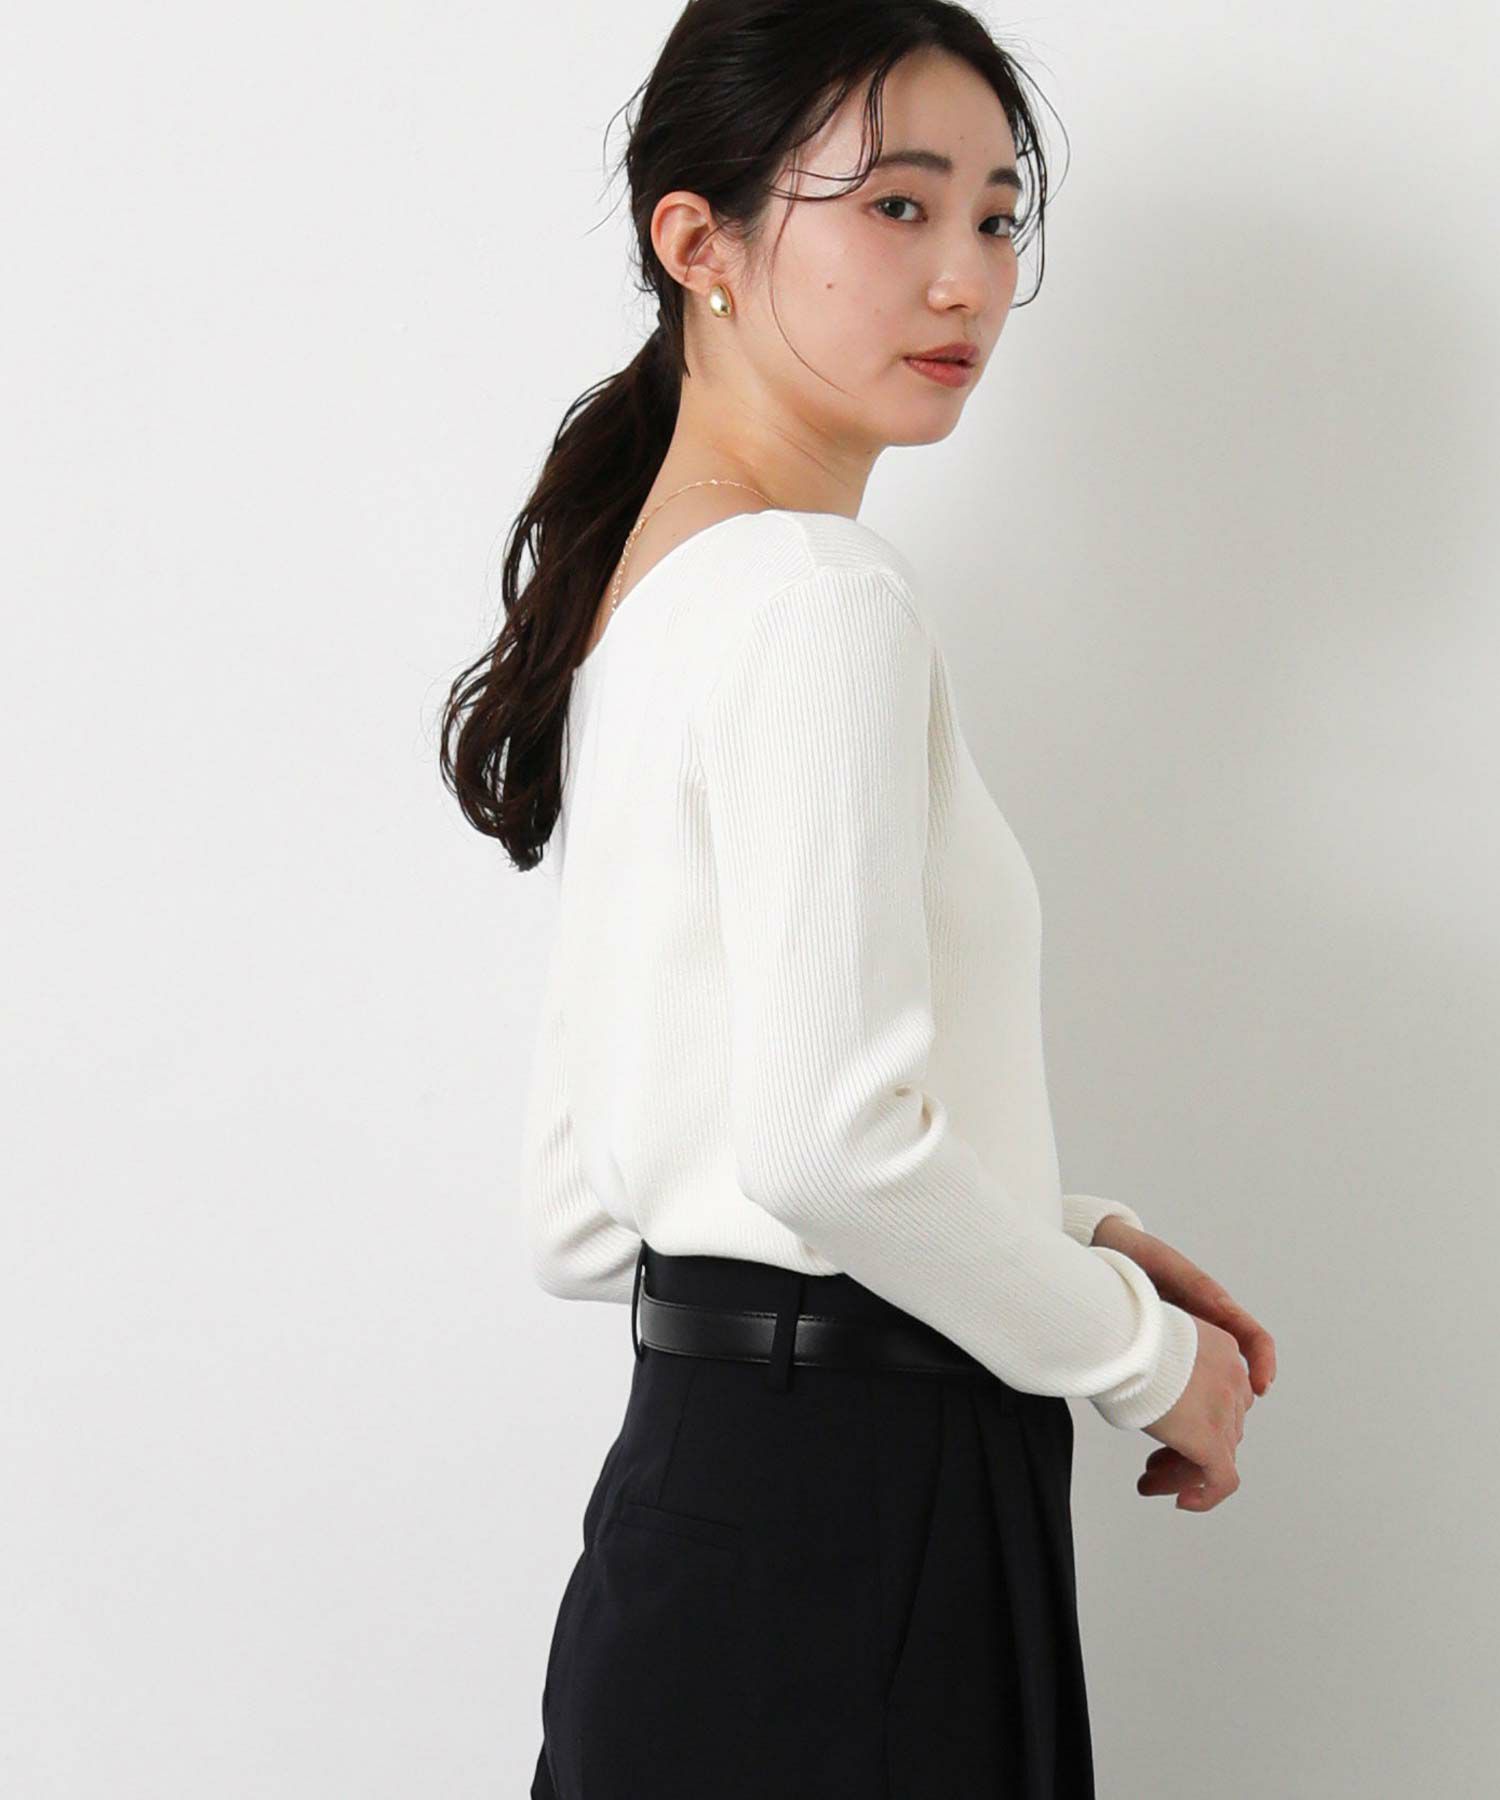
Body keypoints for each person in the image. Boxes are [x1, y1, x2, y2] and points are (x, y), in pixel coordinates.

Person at [441, 2, 1275, 1793]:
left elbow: (584, 1214)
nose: (966, 276)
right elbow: (826, 1146)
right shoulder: (818, 597)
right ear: (699, 240)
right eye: (897, 205)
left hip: (696, 1514)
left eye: (997, 215)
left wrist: (1042, 1226)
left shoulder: (646, 611)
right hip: (865, 1531)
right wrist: (1145, 1361)